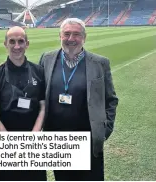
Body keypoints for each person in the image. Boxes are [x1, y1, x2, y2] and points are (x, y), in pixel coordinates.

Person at [39, 18, 119, 181]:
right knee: (62, 178)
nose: (71, 39)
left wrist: (105, 129)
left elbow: (110, 99)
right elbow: (36, 89)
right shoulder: (47, 59)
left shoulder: (99, 63)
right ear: (60, 36)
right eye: (66, 34)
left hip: (88, 139)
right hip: (57, 139)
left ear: (84, 37)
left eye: (76, 34)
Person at [0, 26, 46, 181]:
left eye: (21, 41)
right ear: (5, 44)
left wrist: (34, 135)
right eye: (12, 41)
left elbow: (43, 107)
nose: (17, 46)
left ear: (27, 43)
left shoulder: (39, 71)